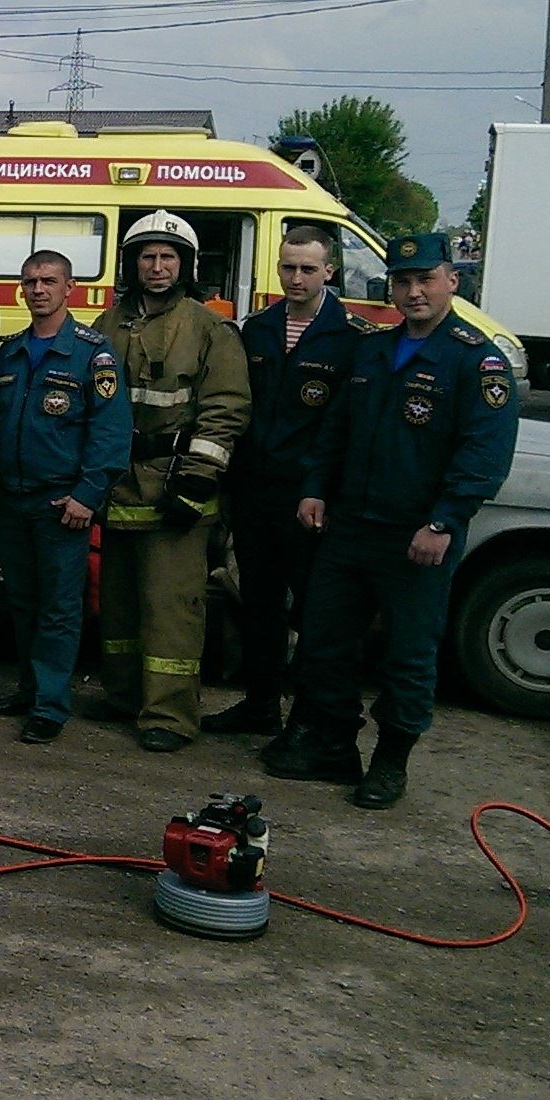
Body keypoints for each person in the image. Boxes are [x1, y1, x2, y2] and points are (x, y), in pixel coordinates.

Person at [265, 232, 518, 809]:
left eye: (425, 279)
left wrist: (445, 521)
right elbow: (336, 429)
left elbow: (483, 455)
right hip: (350, 526)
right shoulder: (374, 350)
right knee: (324, 640)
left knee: (407, 654)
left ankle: (390, 762)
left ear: (452, 281)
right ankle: (332, 745)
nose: (413, 292)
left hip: (416, 535)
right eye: (402, 281)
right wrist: (315, 489)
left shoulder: (476, 360)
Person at [89, 212, 251, 753]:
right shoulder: (109, 324)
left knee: (171, 608)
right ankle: (123, 695)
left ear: (186, 265)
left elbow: (226, 408)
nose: (157, 267)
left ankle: (170, 715)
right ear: (132, 264)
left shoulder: (209, 328)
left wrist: (198, 481)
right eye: (147, 256)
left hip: (176, 489)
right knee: (118, 606)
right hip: (118, 487)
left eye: (168, 257)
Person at [203, 225, 371, 736]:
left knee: (318, 611)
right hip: (256, 490)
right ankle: (259, 706)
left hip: (310, 498)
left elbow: (345, 427)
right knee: (258, 604)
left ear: (330, 272)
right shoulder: (257, 329)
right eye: (287, 268)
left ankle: (311, 718)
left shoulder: (352, 338)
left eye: (307, 269)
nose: (295, 278)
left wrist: (323, 488)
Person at [0, 251, 131, 743]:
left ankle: (50, 705)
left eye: (48, 281)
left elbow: (112, 432)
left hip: (62, 505)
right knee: (22, 602)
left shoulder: (93, 355)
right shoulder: (10, 351)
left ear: (71, 290)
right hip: (13, 499)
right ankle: (28, 688)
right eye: (29, 282)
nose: (38, 289)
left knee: (60, 609)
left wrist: (88, 495)